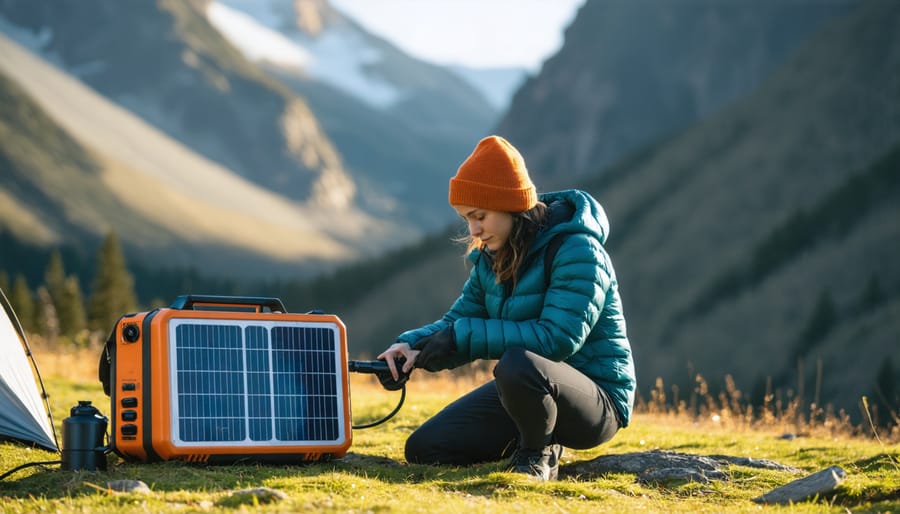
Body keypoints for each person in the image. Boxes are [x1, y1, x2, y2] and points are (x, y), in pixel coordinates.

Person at [378, 135, 635, 481]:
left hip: (596, 401)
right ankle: (532, 434)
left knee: (517, 363)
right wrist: (410, 346)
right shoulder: (491, 258)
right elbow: (460, 321)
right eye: (467, 219)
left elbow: (556, 339)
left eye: (479, 216)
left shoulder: (578, 250)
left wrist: (459, 337)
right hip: (526, 391)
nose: (474, 230)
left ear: (510, 204)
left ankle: (537, 454)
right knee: (425, 448)